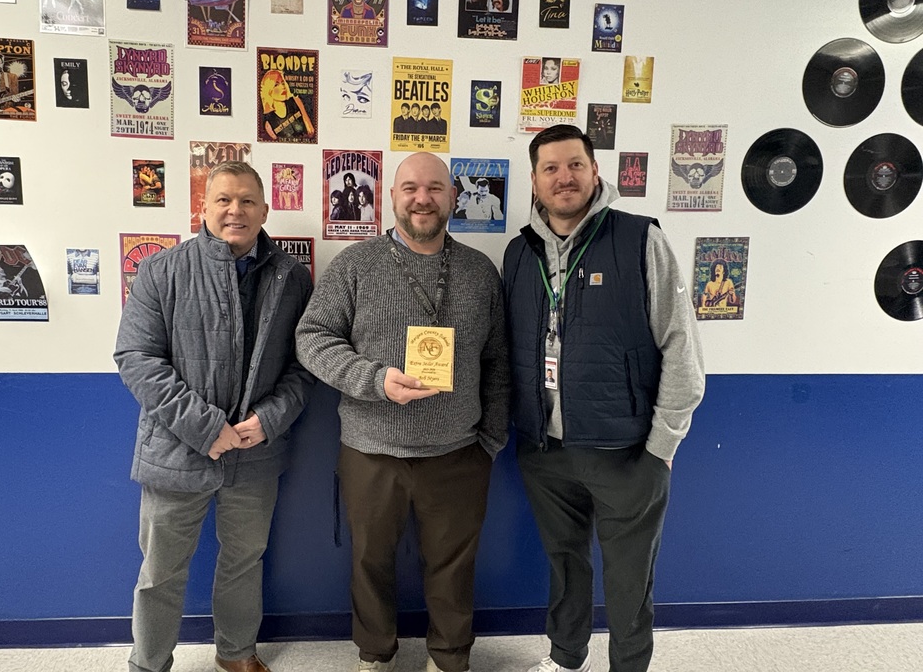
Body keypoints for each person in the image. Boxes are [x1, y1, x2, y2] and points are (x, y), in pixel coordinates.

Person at [295, 152, 510, 672]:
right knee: (369, 563)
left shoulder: (481, 272)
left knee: (453, 568)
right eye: (410, 188)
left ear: (453, 197)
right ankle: (375, 656)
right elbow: (311, 338)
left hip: (459, 451)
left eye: (435, 188)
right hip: (371, 450)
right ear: (390, 197)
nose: (422, 198)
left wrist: (492, 439)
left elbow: (498, 359)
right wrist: (373, 380)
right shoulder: (354, 264)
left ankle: (450, 658)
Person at [502, 124, 705, 672]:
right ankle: (566, 658)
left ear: (595, 171)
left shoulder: (640, 238)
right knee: (564, 565)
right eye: (551, 168)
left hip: (627, 451)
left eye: (574, 165)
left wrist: (662, 445)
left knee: (628, 579)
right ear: (536, 181)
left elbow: (681, 343)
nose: (563, 177)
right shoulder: (518, 254)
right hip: (546, 451)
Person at [114, 160, 315, 672]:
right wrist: (208, 429)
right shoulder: (163, 269)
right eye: (223, 199)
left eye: (247, 200)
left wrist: (268, 419)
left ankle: (236, 653)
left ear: (266, 209)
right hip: (177, 452)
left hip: (255, 453)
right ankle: (149, 662)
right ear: (202, 208)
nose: (235, 210)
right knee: (160, 572)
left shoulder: (292, 277)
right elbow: (135, 359)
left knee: (244, 563)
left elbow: (302, 366)